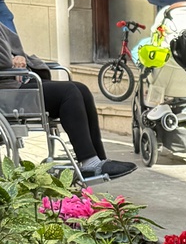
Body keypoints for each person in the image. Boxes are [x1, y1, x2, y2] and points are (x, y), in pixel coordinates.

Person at [0, 22, 135, 178]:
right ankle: (89, 162)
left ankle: (98, 160)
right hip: (7, 93)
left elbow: (15, 47)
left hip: (17, 85)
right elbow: (3, 59)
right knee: (68, 93)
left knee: (81, 89)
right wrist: (12, 59)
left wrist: (19, 56)